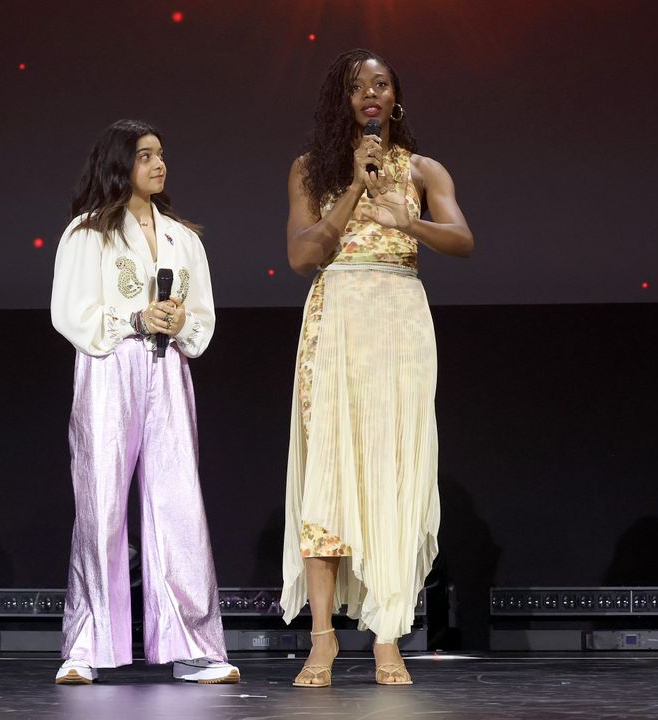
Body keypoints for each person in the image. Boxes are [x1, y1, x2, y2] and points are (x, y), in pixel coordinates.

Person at [281, 49, 474, 687]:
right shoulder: (312, 170)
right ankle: (323, 640)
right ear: (342, 101)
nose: (370, 93)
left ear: (396, 98)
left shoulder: (423, 168)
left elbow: (463, 240)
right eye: (357, 86)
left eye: (381, 84)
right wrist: (356, 190)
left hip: (400, 319)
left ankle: (388, 637)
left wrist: (407, 219)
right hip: (335, 319)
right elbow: (302, 255)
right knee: (329, 473)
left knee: (393, 469)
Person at [49, 119, 239, 685]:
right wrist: (133, 317)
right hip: (111, 365)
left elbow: (201, 316)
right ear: (119, 165)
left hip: (168, 368)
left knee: (177, 503)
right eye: (145, 156)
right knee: (101, 502)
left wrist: (178, 321)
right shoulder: (87, 233)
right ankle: (84, 646)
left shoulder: (184, 238)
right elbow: (70, 312)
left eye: (160, 154)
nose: (158, 165)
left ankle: (195, 647)